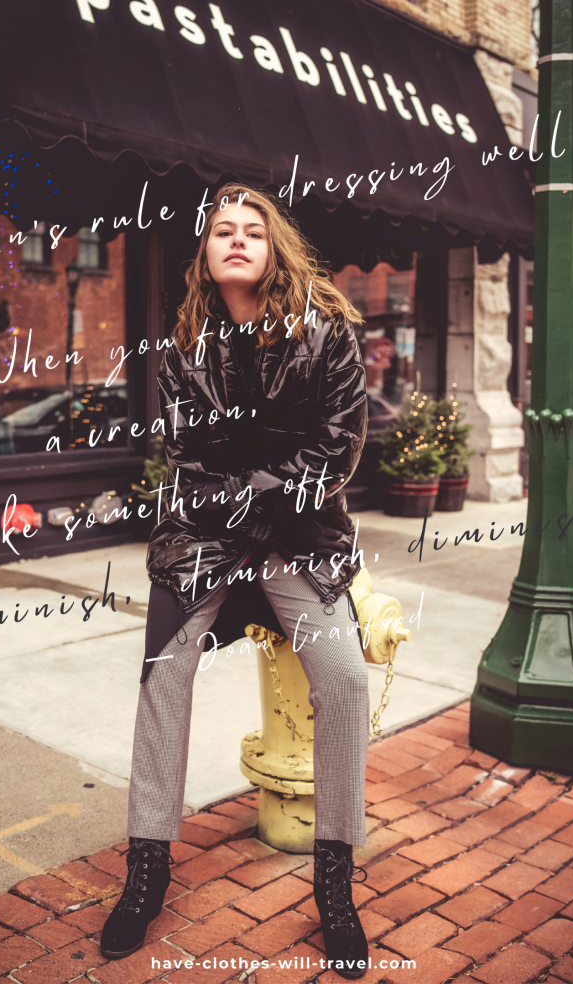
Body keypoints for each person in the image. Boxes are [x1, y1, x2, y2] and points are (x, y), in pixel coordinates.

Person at [101, 184, 371, 979]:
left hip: (300, 536)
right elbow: (189, 458)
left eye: (255, 229)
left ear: (275, 245)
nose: (240, 240)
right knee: (164, 674)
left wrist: (261, 500)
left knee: (347, 678)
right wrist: (239, 506)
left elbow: (338, 449)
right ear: (208, 252)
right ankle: (146, 863)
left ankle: (335, 877)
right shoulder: (185, 343)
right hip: (206, 537)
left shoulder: (326, 332)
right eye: (225, 230)